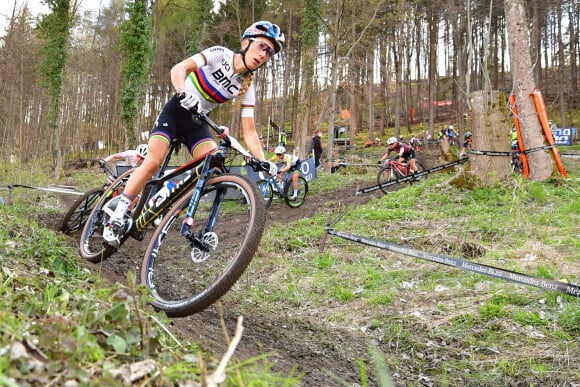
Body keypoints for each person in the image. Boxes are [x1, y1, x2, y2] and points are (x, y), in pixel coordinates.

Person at [102, 21, 285, 247]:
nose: (264, 55)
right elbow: (178, 69)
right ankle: (118, 215)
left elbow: (250, 131)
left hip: (197, 125)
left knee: (213, 163)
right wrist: (182, 92)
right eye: (261, 46)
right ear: (246, 43)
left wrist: (264, 161)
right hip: (175, 112)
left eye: (270, 52)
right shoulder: (220, 54)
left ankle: (170, 209)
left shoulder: (247, 87)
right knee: (153, 161)